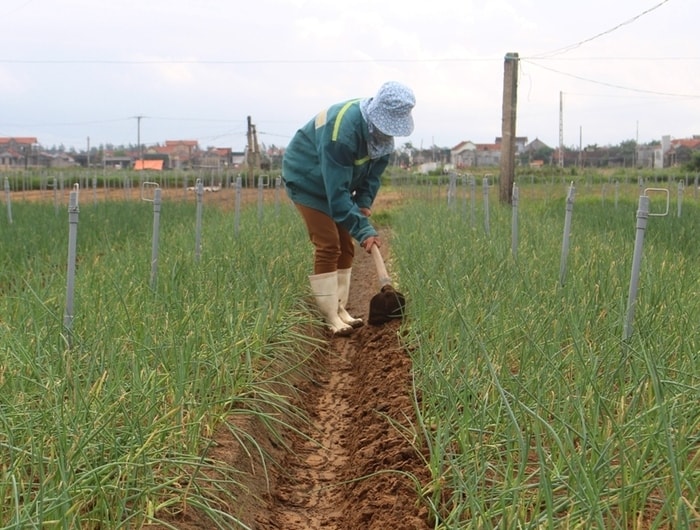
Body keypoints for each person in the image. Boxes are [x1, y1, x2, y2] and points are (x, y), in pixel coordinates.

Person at [282, 81, 415, 336]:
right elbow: (338, 194)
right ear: (375, 116)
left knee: (346, 245)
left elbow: (373, 177)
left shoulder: (383, 140)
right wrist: (364, 230)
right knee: (329, 243)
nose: (388, 133)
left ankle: (340, 307)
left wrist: (364, 204)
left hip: (336, 186)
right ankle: (330, 316)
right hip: (308, 181)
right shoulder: (341, 133)